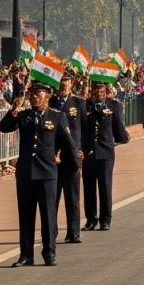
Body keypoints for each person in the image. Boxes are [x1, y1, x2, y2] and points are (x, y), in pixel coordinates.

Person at [0, 81, 79, 267]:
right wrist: (14, 110)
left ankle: (49, 252)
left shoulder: (57, 116)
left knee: (48, 216)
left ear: (47, 96)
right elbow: (4, 127)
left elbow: (69, 144)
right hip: (26, 174)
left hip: (47, 173)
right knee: (26, 217)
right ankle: (26, 255)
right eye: (32, 94)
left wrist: (75, 166)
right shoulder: (24, 115)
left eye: (38, 93)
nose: (34, 97)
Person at [81, 79, 129, 230]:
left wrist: (122, 137)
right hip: (88, 152)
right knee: (88, 187)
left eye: (101, 89)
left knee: (105, 186)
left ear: (106, 89)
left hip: (105, 151)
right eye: (96, 89)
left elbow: (118, 126)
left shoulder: (114, 105)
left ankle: (105, 219)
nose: (99, 92)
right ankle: (90, 219)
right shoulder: (85, 105)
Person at [50, 74, 87, 242]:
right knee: (52, 199)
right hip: (54, 156)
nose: (63, 87)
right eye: (61, 84)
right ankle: (51, 233)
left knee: (72, 197)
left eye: (66, 84)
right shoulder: (50, 102)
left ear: (71, 85)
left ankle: (74, 232)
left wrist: (84, 150)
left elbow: (85, 129)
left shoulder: (78, 103)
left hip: (72, 155)